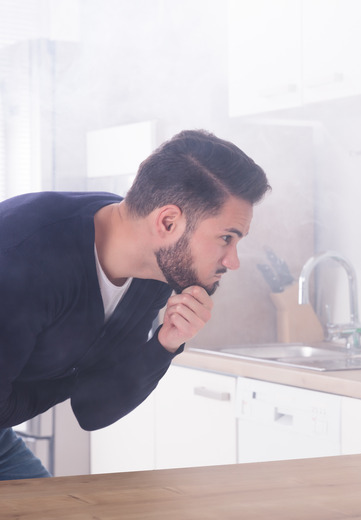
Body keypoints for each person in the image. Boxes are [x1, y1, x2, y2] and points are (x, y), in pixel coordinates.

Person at [0, 129, 270, 480]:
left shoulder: (153, 267)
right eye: (225, 238)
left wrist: (164, 344)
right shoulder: (24, 254)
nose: (233, 261)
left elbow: (93, 410)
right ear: (168, 222)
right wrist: (75, 380)